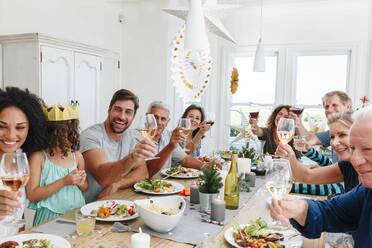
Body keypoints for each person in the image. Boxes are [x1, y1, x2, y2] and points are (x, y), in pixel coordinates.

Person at [269, 105, 372, 247]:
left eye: (367, 149)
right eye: (353, 148)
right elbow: (331, 212)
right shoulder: (365, 190)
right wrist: (301, 208)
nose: (355, 160)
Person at [80, 89, 156, 203]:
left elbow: (143, 172)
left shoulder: (131, 135)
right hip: (89, 207)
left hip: (116, 202)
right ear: (109, 110)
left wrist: (117, 184)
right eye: (117, 109)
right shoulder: (90, 135)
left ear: (133, 117)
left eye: (128, 112)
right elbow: (103, 177)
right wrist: (132, 157)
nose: (122, 116)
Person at [27, 103, 89, 226]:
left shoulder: (77, 156)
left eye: (70, 133)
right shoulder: (38, 158)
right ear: (49, 135)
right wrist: (63, 182)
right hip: (48, 218)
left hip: (76, 214)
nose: (66, 138)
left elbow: (85, 187)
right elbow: (32, 195)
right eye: (61, 135)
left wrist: (81, 182)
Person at [0, 87, 48, 237]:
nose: (11, 135)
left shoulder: (22, 159)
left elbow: (17, 216)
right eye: (1, 126)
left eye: (20, 127)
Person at [277, 112, 358, 194]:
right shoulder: (347, 165)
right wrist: (306, 151)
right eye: (332, 137)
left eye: (342, 135)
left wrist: (289, 187)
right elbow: (308, 176)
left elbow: (331, 189)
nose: (334, 143)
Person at [145, 101, 210, 178]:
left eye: (163, 119)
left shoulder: (167, 135)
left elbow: (185, 159)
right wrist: (201, 133)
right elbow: (188, 151)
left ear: (167, 122)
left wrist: (207, 166)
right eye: (155, 117)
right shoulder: (176, 134)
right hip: (171, 176)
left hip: (167, 182)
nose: (159, 122)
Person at [294, 91, 352, 162]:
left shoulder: (357, 128)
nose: (329, 110)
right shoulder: (334, 131)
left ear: (348, 106)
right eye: (327, 107)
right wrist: (298, 122)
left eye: (335, 105)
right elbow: (309, 139)